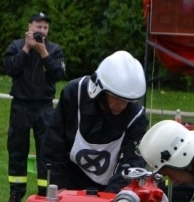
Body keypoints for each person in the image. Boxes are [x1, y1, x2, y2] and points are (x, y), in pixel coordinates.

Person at [41, 50, 148, 193]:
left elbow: (132, 163)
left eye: (127, 101)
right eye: (117, 98)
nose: (122, 105)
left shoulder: (136, 116)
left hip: (111, 185)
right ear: (100, 91)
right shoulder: (74, 94)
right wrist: (58, 187)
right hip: (68, 180)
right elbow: (53, 145)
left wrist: (112, 198)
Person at [3, 12, 66, 202]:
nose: (42, 31)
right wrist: (26, 49)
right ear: (30, 27)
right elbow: (9, 69)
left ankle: (44, 190)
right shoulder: (16, 46)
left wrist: (43, 52)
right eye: (38, 27)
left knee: (46, 151)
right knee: (17, 148)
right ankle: (16, 192)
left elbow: (59, 74)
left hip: (44, 108)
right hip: (21, 105)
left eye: (45, 28)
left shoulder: (54, 50)